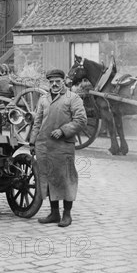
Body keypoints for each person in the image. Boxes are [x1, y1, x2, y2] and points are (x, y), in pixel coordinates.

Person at [30, 69, 87, 228]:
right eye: (51, 81)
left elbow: (81, 120)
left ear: (64, 81)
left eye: (57, 81)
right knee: (48, 179)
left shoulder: (73, 98)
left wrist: (63, 130)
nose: (54, 84)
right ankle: (54, 213)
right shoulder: (43, 99)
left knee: (66, 178)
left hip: (63, 147)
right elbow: (37, 122)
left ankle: (66, 215)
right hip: (44, 146)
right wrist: (32, 142)